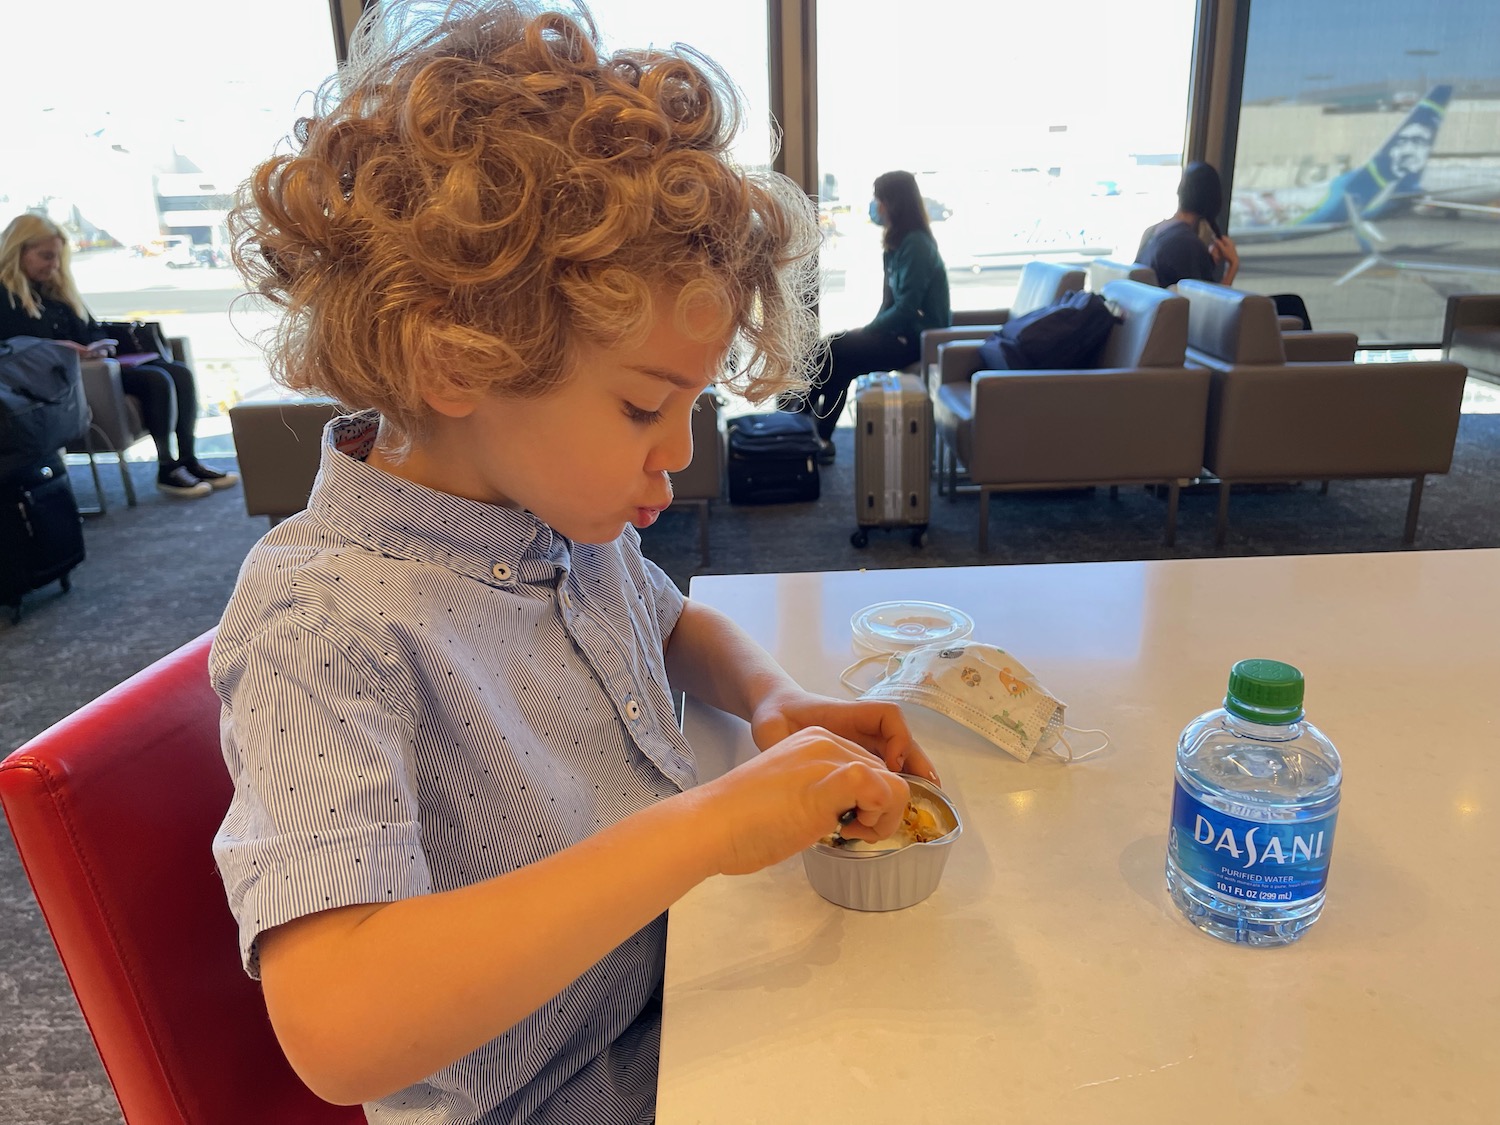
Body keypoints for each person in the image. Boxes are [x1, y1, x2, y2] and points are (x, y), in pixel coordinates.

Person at [212, 3, 936, 1123]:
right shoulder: (324, 624)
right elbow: (338, 1030)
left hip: (681, 999)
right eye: (645, 404)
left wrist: (774, 698)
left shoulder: (547, 512)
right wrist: (703, 827)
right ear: (456, 358)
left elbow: (669, 625)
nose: (680, 454)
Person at [0, 213, 239, 498]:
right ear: (19, 251)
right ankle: (167, 468)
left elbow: (91, 329)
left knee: (179, 372)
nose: (53, 265)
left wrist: (97, 347)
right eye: (46, 257)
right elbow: (15, 349)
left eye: (56, 258)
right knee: (156, 379)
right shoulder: (6, 298)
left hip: (91, 370)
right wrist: (63, 351)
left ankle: (187, 459)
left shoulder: (57, 291)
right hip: (55, 382)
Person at [785, 169, 951, 462]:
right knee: (838, 354)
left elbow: (906, 308)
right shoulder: (898, 243)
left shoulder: (917, 245)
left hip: (917, 341)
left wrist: (870, 330)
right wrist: (871, 330)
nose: (876, 205)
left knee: (837, 350)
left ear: (894, 202)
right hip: (899, 334)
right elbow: (890, 302)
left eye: (879, 198)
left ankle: (798, 425)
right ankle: (812, 432)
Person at [1135, 161, 1241, 289]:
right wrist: (1233, 265)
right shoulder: (1188, 244)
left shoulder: (1151, 232)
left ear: (1180, 191)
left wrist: (1208, 262)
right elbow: (1208, 306)